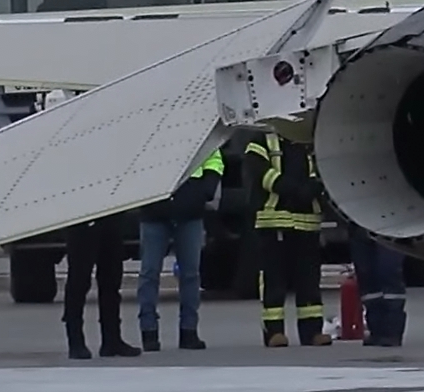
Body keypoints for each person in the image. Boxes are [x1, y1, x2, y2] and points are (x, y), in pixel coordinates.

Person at [245, 129, 333, 347]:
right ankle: (274, 332)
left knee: (309, 280)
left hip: (307, 222)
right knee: (274, 280)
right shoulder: (261, 140)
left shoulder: (310, 141)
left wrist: (314, 187)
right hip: (274, 221)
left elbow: (324, 168)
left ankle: (312, 331)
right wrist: (293, 189)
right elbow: (260, 173)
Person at [135, 148, 225, 352]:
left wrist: (205, 190)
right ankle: (148, 331)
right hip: (155, 210)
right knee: (150, 272)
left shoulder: (193, 130)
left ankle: (189, 331)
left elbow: (214, 157)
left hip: (189, 209)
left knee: (190, 274)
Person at [62, 210, 141, 360]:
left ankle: (112, 340)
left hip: (111, 215)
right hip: (82, 218)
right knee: (79, 280)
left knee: (111, 279)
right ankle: (75, 341)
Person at [348, 223, 407, 347]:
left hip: (390, 224)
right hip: (359, 224)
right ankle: (376, 330)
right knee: (366, 275)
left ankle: (392, 332)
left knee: (388, 272)